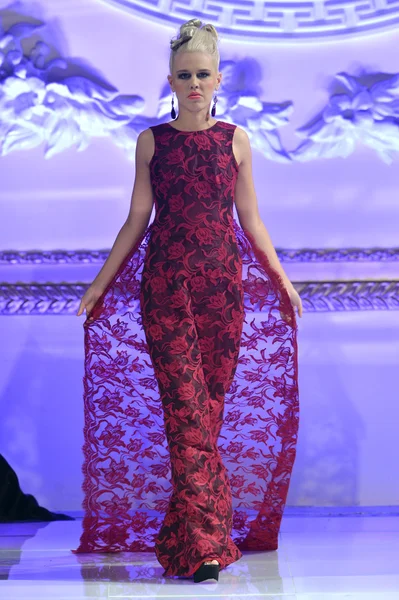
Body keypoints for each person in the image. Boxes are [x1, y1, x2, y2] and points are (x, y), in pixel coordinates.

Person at [75, 18, 302, 583]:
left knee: (209, 416)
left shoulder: (236, 141)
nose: (194, 83)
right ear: (171, 80)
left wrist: (281, 277)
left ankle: (190, 533)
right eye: (185, 75)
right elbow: (136, 218)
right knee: (186, 417)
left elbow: (250, 219)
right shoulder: (152, 142)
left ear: (218, 77)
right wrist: (101, 282)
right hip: (166, 290)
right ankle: (204, 547)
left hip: (223, 291)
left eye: (203, 74)